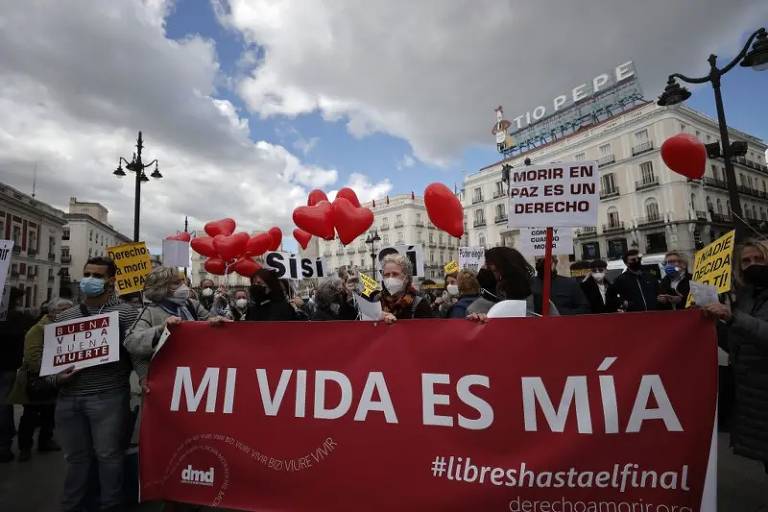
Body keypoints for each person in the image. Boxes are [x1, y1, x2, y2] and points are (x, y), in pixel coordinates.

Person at [49, 256, 140, 511]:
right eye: (88, 274)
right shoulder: (65, 316)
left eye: (98, 276)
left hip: (108, 397)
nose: (90, 280)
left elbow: (136, 351)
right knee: (76, 458)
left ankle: (110, 505)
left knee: (108, 456)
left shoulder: (125, 312)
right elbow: (50, 362)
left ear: (111, 281)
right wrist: (56, 378)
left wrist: (145, 378)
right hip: (68, 398)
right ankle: (72, 505)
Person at [702, 240, 768, 473]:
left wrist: (733, 318)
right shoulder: (746, 297)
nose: (753, 265)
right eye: (746, 261)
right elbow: (736, 345)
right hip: (754, 395)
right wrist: (713, 324)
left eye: (759, 259)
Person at [124, 267, 229, 380]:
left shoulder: (192, 304)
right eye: (176, 283)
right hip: (167, 377)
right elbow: (131, 342)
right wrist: (160, 329)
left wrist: (216, 322)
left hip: (196, 371)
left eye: (182, 281)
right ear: (161, 288)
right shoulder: (149, 311)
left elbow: (208, 321)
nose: (183, 286)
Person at [7, 297, 73, 462]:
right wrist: (54, 369)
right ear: (52, 312)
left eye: (69, 310)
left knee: (49, 413)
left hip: (55, 379)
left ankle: (45, 440)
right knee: (30, 415)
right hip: (36, 380)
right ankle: (25, 447)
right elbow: (33, 358)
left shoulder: (66, 328)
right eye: (62, 310)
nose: (67, 313)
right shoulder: (37, 330)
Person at [0, 288, 36, 463]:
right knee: (4, 405)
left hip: (7, 366)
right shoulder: (20, 318)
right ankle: (4, 445)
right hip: (9, 366)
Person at [478, 247, 559, 317]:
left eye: (493, 270)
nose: (484, 270)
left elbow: (557, 331)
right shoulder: (481, 306)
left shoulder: (540, 303)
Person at [380, 254, 433, 322]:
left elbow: (428, 330)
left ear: (406, 278)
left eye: (395, 274)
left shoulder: (420, 304)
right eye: (386, 275)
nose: (390, 278)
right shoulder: (376, 302)